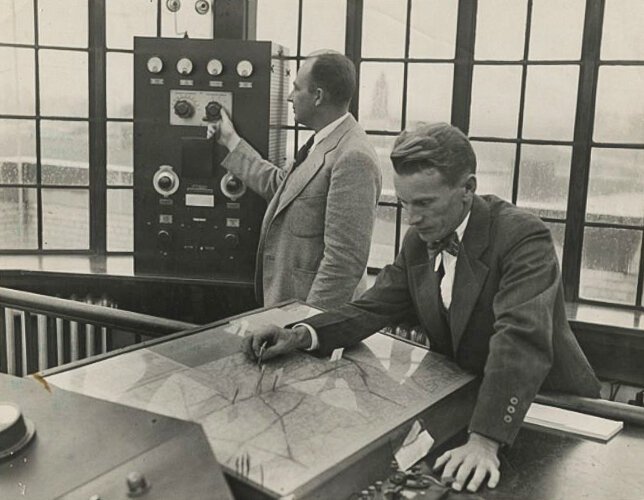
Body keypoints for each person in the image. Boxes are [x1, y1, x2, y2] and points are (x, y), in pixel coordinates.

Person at [240, 123, 601, 493]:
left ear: (468, 189)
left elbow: (520, 340)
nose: (412, 218)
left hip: (556, 410)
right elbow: (370, 308)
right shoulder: (419, 239)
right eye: (404, 203)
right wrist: (299, 334)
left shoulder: (523, 236)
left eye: (425, 203)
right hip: (474, 401)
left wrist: (485, 439)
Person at [207, 51, 381, 310]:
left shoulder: (353, 157)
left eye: (296, 89)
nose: (289, 97)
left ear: (318, 96)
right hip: (289, 310)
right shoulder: (323, 141)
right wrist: (231, 141)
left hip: (310, 320)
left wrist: (305, 329)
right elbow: (281, 186)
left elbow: (344, 262)